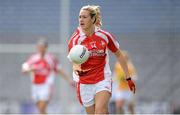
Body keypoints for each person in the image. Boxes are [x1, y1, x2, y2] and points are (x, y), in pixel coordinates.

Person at [68, 5, 136, 114]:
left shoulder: (104, 36)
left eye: (84, 17)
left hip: (102, 79)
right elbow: (74, 61)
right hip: (84, 83)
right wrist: (77, 68)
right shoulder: (75, 39)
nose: (81, 19)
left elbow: (119, 55)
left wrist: (128, 78)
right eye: (80, 17)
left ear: (93, 19)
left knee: (100, 111)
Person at [22, 38, 74, 114]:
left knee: (42, 107)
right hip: (35, 86)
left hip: (46, 86)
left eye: (42, 47)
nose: (40, 48)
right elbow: (25, 69)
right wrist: (28, 70)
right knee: (41, 109)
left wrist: (69, 80)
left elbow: (59, 70)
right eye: (39, 47)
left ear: (46, 48)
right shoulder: (33, 58)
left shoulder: (51, 59)